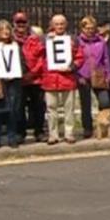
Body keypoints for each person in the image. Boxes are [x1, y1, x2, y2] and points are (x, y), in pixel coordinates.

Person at [41, 15, 84, 144]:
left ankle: (69, 134)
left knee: (69, 109)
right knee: (51, 108)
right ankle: (53, 135)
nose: (59, 26)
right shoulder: (45, 39)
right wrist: (45, 42)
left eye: (62, 24)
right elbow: (36, 54)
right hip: (50, 78)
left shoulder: (72, 40)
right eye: (57, 24)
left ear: (66, 25)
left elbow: (80, 57)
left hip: (67, 78)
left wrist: (72, 67)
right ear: (52, 25)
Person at [0, 20, 26, 148]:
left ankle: (11, 137)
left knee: (12, 110)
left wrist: (16, 74)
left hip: (13, 83)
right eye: (2, 29)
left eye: (7, 29)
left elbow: (22, 64)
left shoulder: (15, 46)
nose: (5, 32)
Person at [76, 15, 110, 140]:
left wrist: (108, 74)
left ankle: (104, 126)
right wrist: (78, 75)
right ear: (82, 28)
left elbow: (106, 59)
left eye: (92, 28)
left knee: (105, 101)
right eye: (87, 28)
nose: (90, 30)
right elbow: (75, 58)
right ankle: (87, 128)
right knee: (85, 104)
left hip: (99, 75)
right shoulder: (77, 41)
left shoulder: (101, 41)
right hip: (83, 75)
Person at [13, 12, 46, 143]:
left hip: (35, 78)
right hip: (18, 79)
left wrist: (32, 72)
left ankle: (39, 131)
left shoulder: (35, 39)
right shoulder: (10, 40)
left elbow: (41, 57)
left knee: (38, 106)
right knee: (19, 107)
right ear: (14, 24)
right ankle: (20, 133)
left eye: (23, 22)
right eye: (18, 23)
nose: (21, 25)